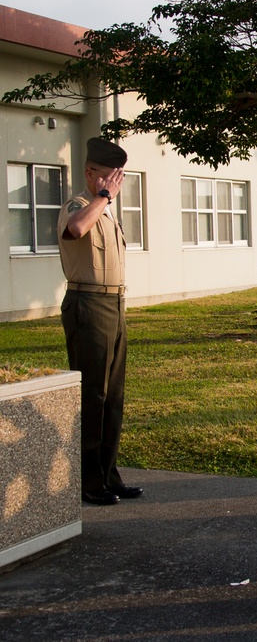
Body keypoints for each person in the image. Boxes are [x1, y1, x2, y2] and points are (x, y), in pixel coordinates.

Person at [57, 137, 142, 506]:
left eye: (118, 180)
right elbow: (75, 230)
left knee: (113, 397)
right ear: (91, 173)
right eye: (109, 178)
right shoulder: (81, 205)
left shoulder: (104, 210)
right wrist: (103, 198)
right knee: (92, 395)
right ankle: (88, 482)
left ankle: (108, 475)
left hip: (115, 304)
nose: (115, 186)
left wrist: (105, 202)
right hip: (87, 304)